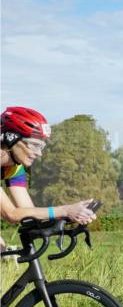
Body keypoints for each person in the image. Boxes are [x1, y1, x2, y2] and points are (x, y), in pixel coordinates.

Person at [1, 107, 96, 251]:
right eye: (34, 145)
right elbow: (12, 214)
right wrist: (65, 210)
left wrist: (71, 216)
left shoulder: (15, 168)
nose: (39, 153)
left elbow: (27, 212)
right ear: (11, 138)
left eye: (41, 146)